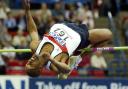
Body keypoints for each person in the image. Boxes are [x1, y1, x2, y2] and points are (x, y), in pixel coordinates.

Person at [23, 0, 112, 79]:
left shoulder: (35, 47)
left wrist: (27, 11)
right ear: (39, 68)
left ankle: (75, 58)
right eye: (31, 64)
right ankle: (79, 58)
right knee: (108, 34)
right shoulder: (53, 65)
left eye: (27, 62)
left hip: (65, 24)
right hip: (80, 34)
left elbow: (33, 31)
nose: (30, 60)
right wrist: (51, 59)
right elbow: (66, 70)